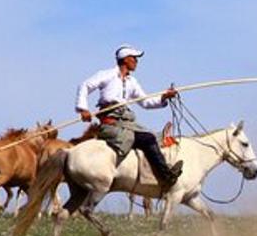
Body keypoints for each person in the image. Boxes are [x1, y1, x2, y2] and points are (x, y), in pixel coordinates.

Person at [76, 45, 183, 188]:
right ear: (125, 59)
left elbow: (145, 101)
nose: (136, 62)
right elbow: (85, 86)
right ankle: (167, 176)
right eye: (134, 58)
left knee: (151, 135)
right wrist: (83, 108)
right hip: (111, 123)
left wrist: (163, 97)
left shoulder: (132, 82)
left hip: (127, 122)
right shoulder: (106, 75)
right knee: (149, 138)